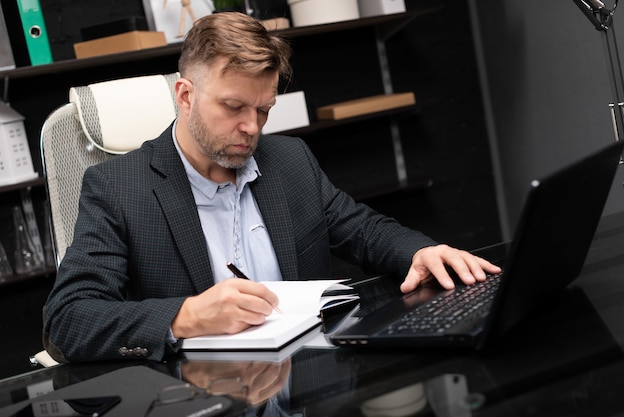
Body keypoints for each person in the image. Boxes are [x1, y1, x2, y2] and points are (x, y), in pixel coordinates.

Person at [42, 12, 501, 363]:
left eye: (263, 110)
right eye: (233, 106)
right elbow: (68, 320)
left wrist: (419, 252)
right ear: (185, 96)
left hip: (310, 375)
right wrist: (186, 317)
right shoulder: (118, 188)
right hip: (205, 394)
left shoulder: (288, 160)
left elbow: (360, 228)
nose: (251, 128)